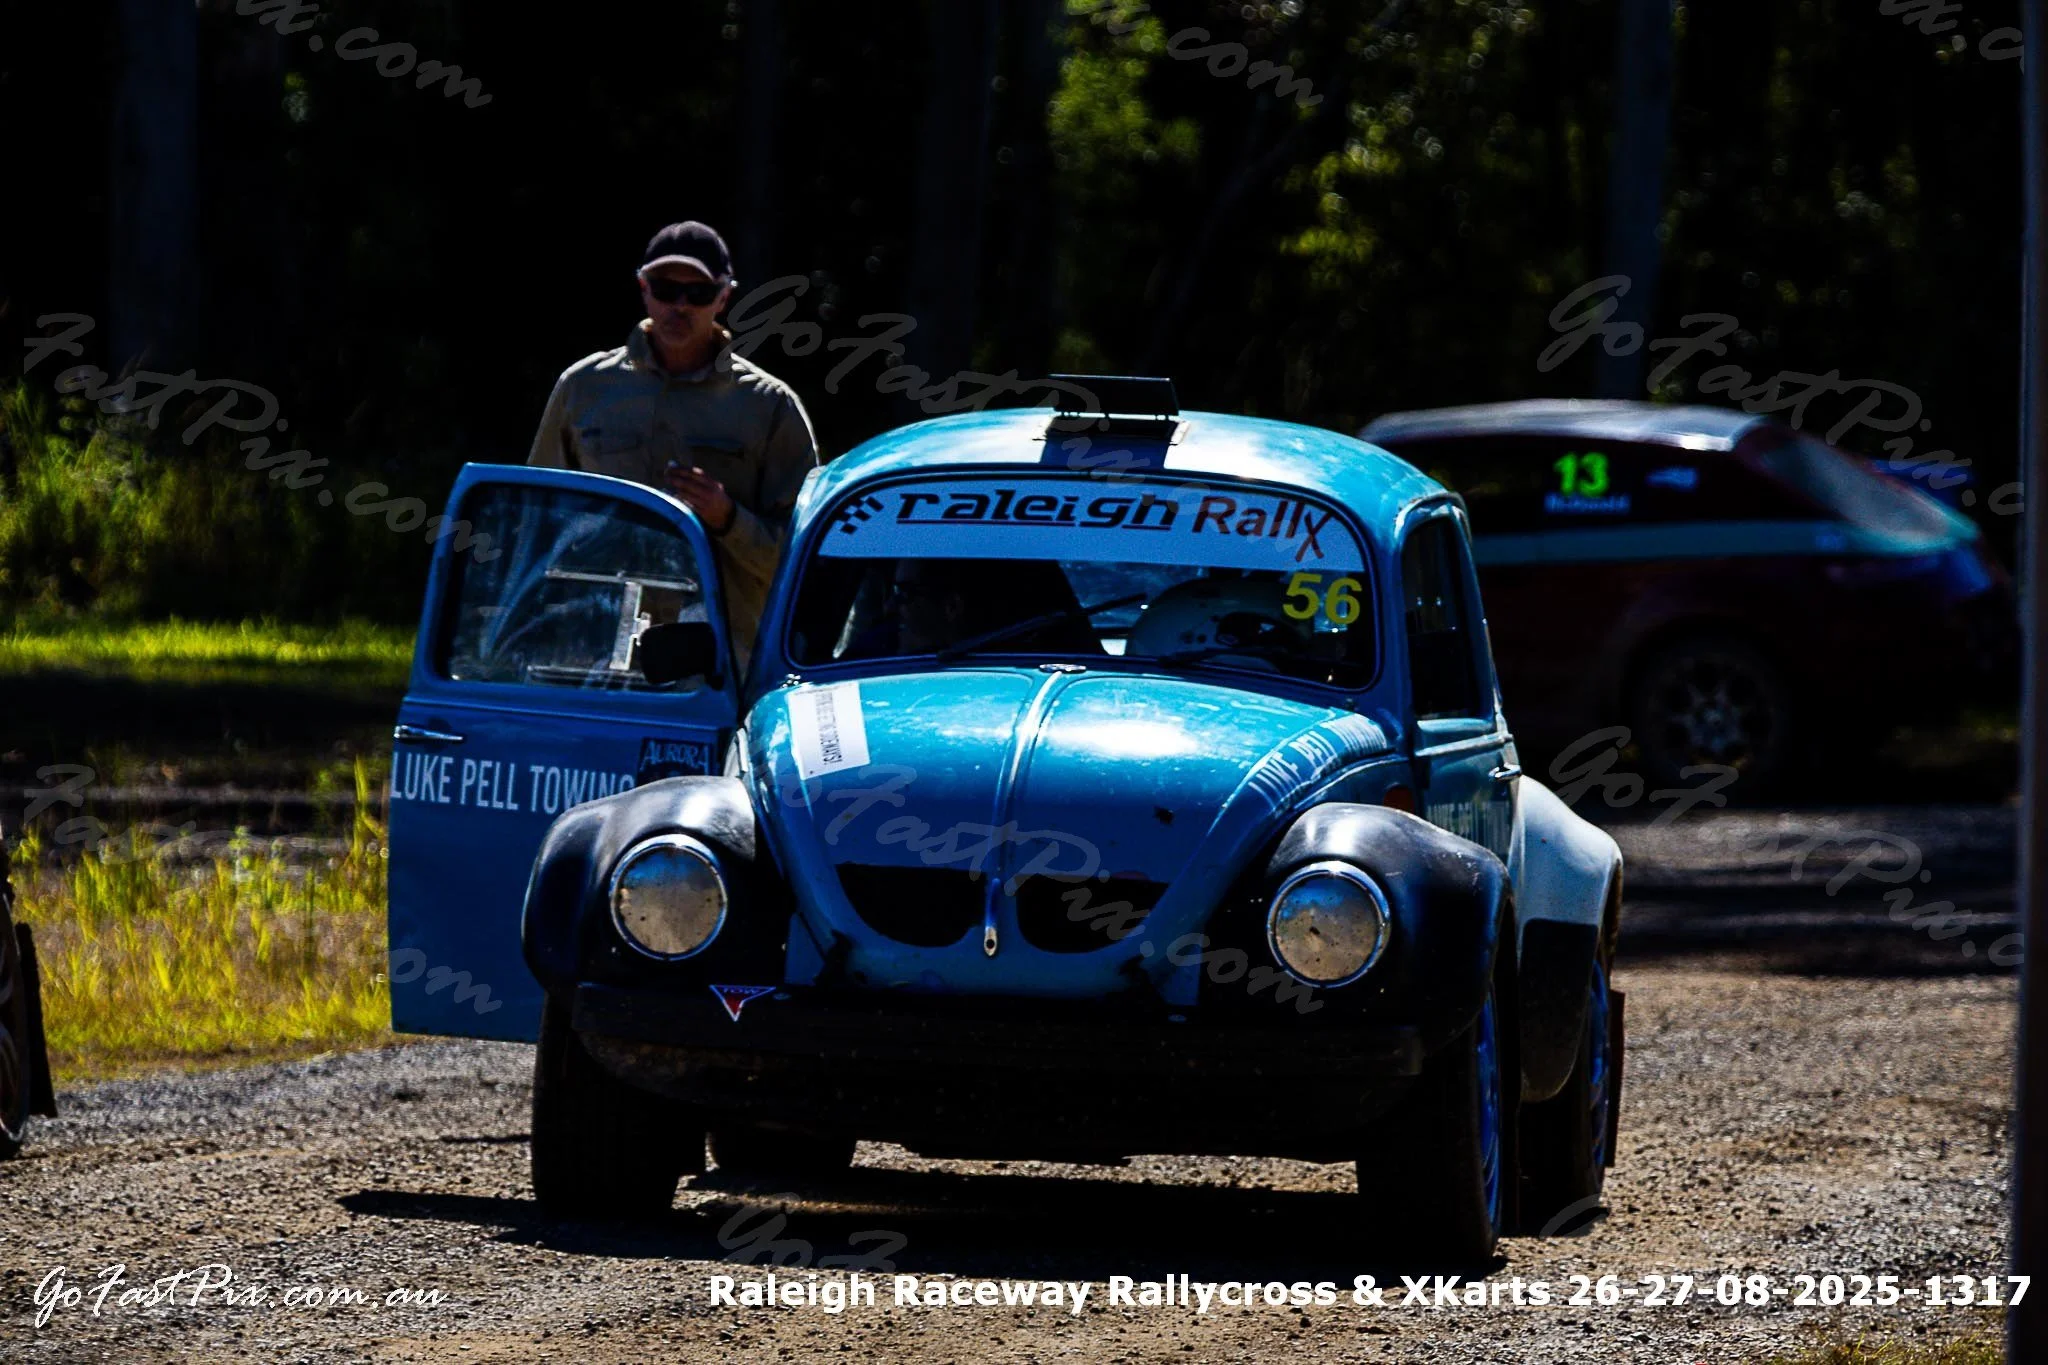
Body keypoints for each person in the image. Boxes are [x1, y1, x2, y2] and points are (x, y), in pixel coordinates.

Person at [527, 220, 819, 664]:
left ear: (724, 297)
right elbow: (532, 526)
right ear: (644, 289)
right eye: (666, 289)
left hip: (715, 667)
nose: (680, 306)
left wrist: (727, 518)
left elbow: (805, 560)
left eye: (698, 293)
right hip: (586, 656)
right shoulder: (582, 388)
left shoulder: (770, 406)